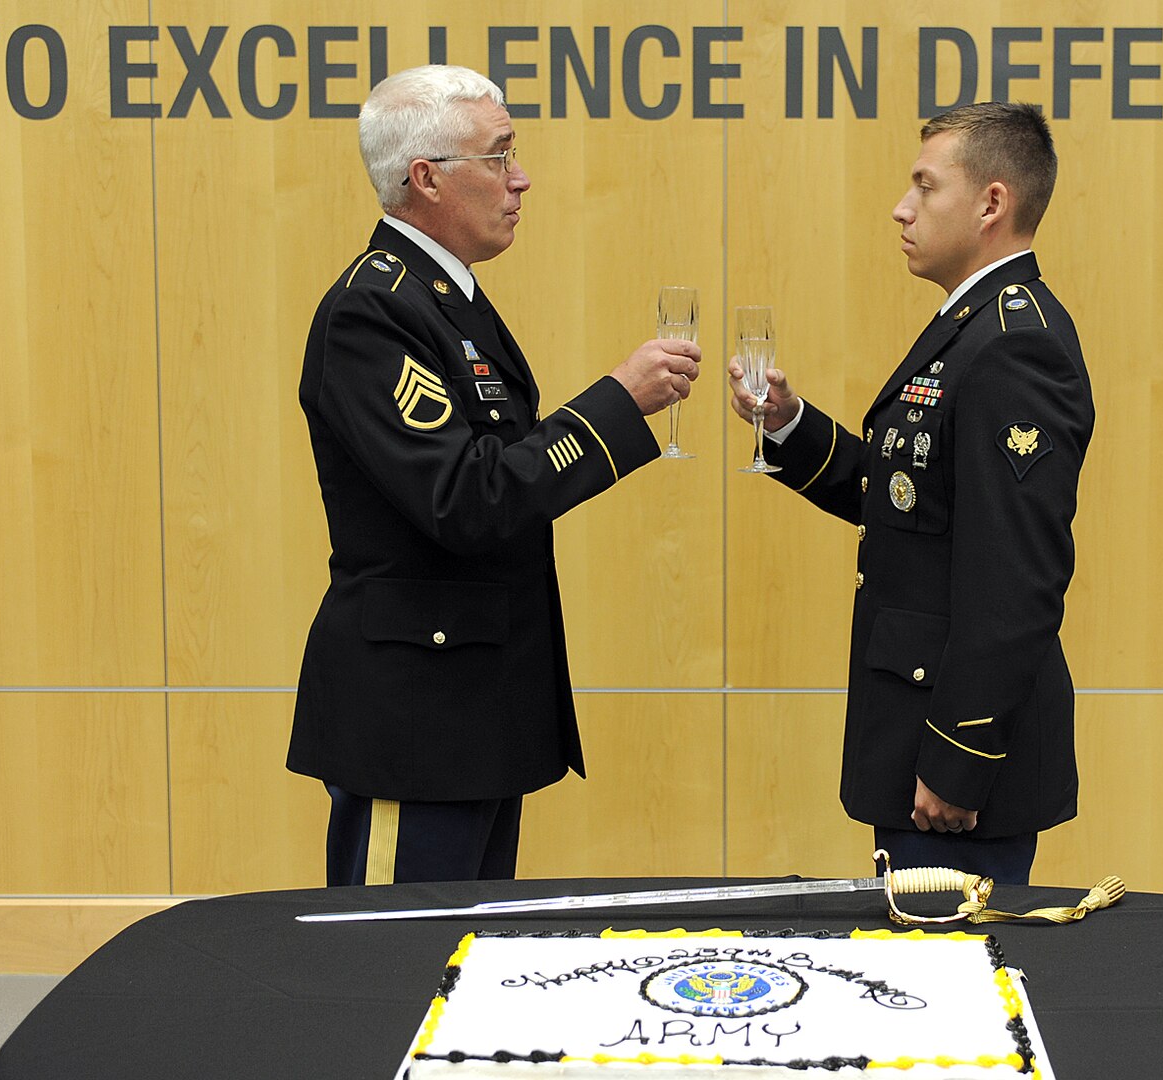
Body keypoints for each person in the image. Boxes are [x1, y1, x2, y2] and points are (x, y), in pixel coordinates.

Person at [289, 65, 700, 886]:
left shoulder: (447, 299)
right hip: (417, 718)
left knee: (462, 972)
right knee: (395, 972)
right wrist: (617, 404)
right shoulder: (374, 311)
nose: (522, 177)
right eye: (499, 155)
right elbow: (466, 499)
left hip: (472, 707)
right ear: (426, 179)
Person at [728, 103, 1092, 885]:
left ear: (992, 203)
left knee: (952, 986)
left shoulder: (1014, 344)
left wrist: (960, 758)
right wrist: (788, 426)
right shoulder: (972, 325)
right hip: (922, 739)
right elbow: (907, 497)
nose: (901, 207)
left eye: (925, 187)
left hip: (959, 764)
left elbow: (1016, 580)